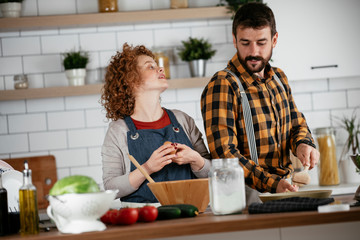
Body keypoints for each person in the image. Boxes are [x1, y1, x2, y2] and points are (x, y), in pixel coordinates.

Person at [200, 3, 319, 196]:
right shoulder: (223, 84)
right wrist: (272, 184)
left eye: (261, 43)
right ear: (234, 40)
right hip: (246, 194)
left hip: (286, 187)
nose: (253, 52)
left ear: (274, 39)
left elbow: (297, 124)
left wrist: (303, 144)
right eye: (245, 43)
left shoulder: (279, 78)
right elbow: (225, 155)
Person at [101, 43, 211, 204]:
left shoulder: (182, 120)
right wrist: (147, 168)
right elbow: (111, 188)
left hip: (190, 214)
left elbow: (214, 174)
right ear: (131, 81)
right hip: (142, 219)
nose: (161, 69)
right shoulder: (118, 130)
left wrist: (196, 159)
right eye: (150, 67)